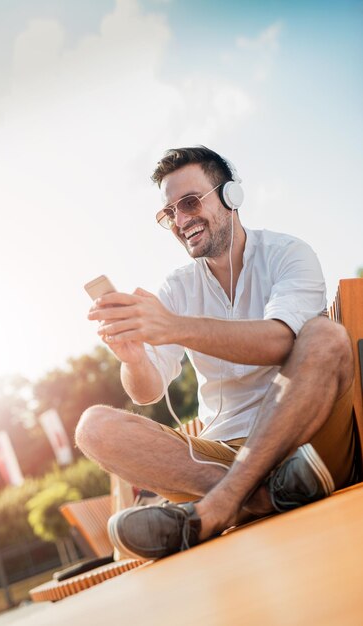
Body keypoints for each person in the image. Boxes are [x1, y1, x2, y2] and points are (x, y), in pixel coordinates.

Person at [76, 146, 356, 560]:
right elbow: (147, 393)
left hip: (308, 445)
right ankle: (259, 498)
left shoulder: (288, 254)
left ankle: (217, 508)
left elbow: (280, 341)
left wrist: (173, 326)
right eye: (169, 213)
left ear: (231, 197)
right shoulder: (177, 288)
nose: (180, 219)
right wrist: (134, 357)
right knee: (91, 428)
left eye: (189, 203)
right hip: (223, 456)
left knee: (326, 336)